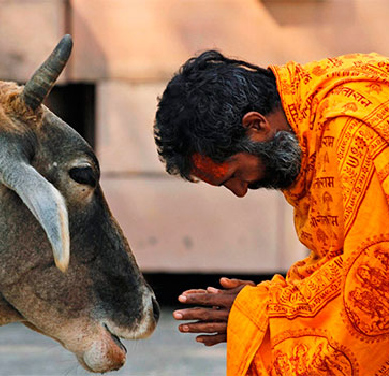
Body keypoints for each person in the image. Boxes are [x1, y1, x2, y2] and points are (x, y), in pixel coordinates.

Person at [154, 50, 389, 375]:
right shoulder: (307, 110)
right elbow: (346, 262)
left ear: (256, 124)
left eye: (233, 175)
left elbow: (375, 294)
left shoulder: (356, 134)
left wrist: (264, 311)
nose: (240, 191)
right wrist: (268, 301)